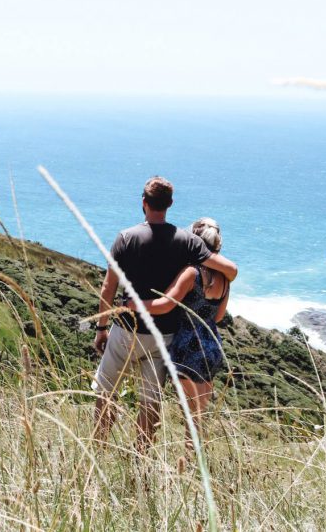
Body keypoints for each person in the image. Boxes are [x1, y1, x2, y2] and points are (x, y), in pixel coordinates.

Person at [92, 177, 237, 452]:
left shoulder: (125, 237)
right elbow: (228, 268)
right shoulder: (187, 241)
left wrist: (101, 327)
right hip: (163, 336)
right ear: (169, 204)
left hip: (126, 328)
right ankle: (141, 460)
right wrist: (229, 277)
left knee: (106, 393)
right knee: (150, 403)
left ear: (144, 203)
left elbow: (108, 286)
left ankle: (97, 450)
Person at [139, 218, 230, 446]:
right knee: (197, 419)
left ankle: (178, 466)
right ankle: (191, 468)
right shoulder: (226, 279)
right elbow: (218, 317)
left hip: (186, 349)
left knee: (187, 413)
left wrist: (134, 304)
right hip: (211, 347)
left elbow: (165, 304)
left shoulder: (192, 273)